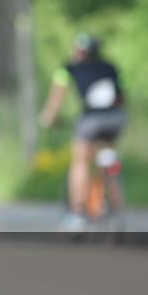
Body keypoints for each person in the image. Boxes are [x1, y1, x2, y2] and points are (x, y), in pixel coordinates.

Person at [39, 33, 126, 231]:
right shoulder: (111, 67)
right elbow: (121, 95)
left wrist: (49, 117)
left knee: (80, 161)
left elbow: (57, 95)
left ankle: (77, 215)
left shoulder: (68, 68)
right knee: (108, 157)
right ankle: (114, 208)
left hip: (91, 120)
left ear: (79, 51)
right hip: (116, 119)